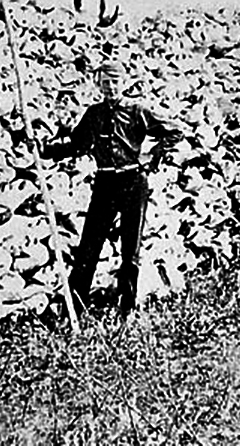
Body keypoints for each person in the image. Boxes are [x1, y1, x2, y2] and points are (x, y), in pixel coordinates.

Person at [40, 61, 183, 317]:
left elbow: (174, 131)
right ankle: (74, 309)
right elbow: (77, 146)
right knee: (88, 247)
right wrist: (44, 150)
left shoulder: (137, 110)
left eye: (115, 82)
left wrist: (154, 155)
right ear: (98, 85)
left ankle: (126, 310)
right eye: (105, 82)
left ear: (125, 83)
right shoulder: (93, 114)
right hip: (105, 183)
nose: (110, 87)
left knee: (131, 250)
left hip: (133, 182)